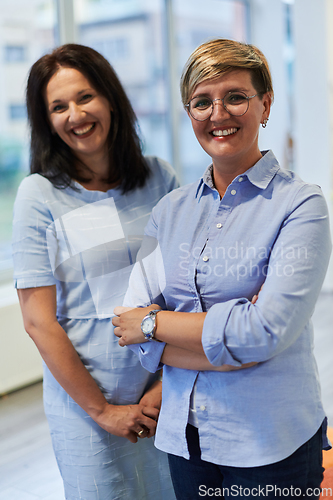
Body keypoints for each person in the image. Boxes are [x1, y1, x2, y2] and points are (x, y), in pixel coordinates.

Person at [112, 38, 332, 499]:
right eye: (201, 102)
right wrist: (234, 343)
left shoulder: (301, 206)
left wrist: (154, 324)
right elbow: (125, 328)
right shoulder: (168, 211)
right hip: (184, 438)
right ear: (188, 112)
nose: (218, 113)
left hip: (270, 443)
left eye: (235, 96)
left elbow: (264, 333)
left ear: (265, 104)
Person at [12, 44, 178, 500]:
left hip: (166, 393)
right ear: (46, 121)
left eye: (85, 97)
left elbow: (187, 288)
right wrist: (104, 411)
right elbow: (38, 321)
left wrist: (164, 389)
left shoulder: (159, 177)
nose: (75, 115)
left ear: (110, 98)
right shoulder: (39, 195)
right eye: (58, 107)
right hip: (86, 409)